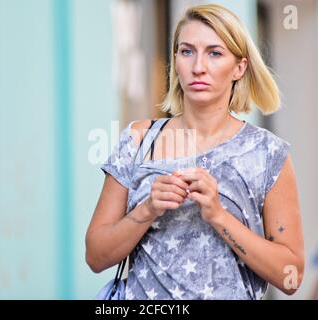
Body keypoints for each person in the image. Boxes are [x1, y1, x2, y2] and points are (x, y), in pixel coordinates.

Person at [85, 4, 304, 300]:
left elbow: (290, 277)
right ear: (175, 60)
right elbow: (95, 256)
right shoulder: (138, 141)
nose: (198, 66)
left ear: (239, 67)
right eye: (187, 51)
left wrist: (218, 216)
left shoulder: (267, 153)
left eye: (215, 53)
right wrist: (147, 209)